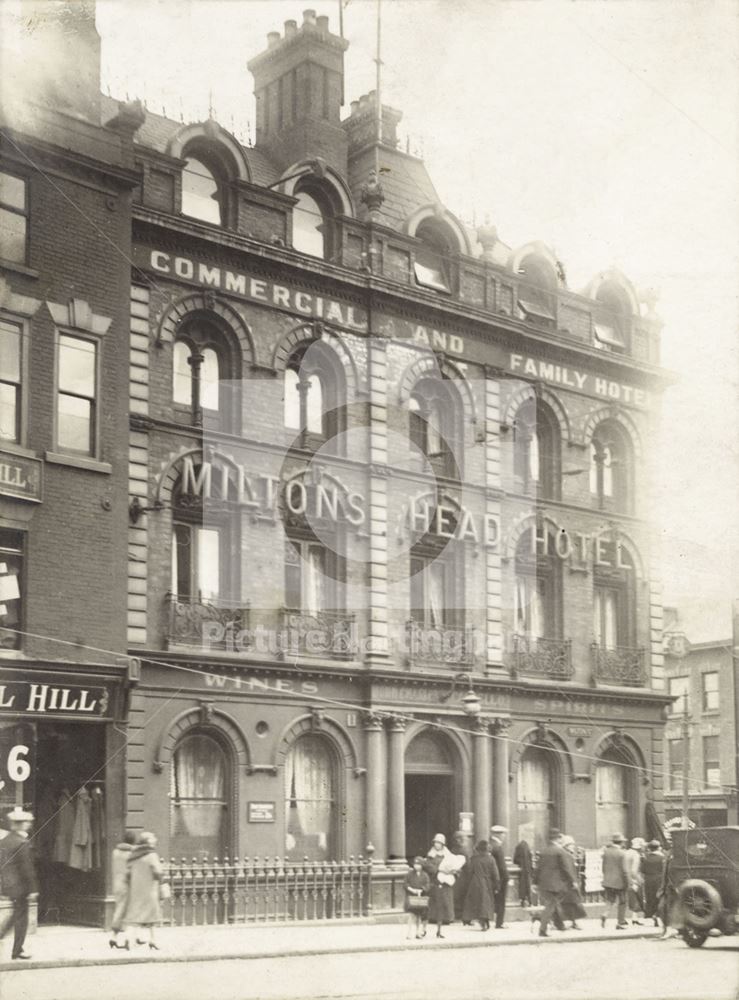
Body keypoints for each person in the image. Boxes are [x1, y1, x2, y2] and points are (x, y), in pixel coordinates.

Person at [0, 808, 38, 960]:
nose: (28, 825)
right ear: (19, 825)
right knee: (21, 918)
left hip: (9, 884)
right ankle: (17, 950)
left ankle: (15, 948)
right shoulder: (21, 843)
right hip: (21, 886)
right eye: (26, 822)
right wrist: (33, 889)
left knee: (16, 914)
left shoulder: (5, 841)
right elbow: (27, 868)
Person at [122, 831, 167, 950]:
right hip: (149, 890)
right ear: (147, 841)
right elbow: (158, 872)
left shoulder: (134, 855)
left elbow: (127, 873)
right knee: (152, 916)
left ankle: (128, 938)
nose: (155, 840)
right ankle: (153, 940)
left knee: (135, 916)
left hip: (136, 890)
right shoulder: (152, 855)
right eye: (153, 838)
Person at [534, 828, 576, 938]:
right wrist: (573, 881)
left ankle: (560, 925)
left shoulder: (544, 850)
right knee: (551, 905)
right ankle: (542, 928)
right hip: (556, 884)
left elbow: (538, 868)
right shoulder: (560, 851)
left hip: (543, 883)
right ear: (557, 839)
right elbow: (566, 868)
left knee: (553, 903)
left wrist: (534, 883)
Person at [424, 834, 463, 939]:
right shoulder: (430, 854)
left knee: (446, 898)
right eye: (436, 842)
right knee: (435, 899)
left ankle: (447, 918)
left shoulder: (448, 854)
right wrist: (438, 870)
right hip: (435, 879)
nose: (437, 845)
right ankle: (434, 917)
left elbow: (456, 866)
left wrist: (454, 871)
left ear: (443, 844)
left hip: (447, 880)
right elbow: (427, 865)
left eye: (439, 843)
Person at [461, 840, 500, 931]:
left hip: (475, 882)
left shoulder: (474, 859)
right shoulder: (491, 859)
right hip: (487, 883)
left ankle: (478, 920)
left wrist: (469, 883)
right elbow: (495, 874)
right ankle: (486, 921)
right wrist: (497, 885)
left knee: (476, 902)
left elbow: (470, 872)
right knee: (486, 902)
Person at [109, 830, 137, 949]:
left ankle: (114, 937)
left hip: (116, 884)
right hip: (128, 885)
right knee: (130, 912)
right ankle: (127, 939)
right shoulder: (132, 854)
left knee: (119, 910)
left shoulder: (115, 852)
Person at [601, 832, 629, 929]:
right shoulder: (622, 853)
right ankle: (620, 922)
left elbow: (603, 867)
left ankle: (605, 914)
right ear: (621, 842)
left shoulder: (606, 852)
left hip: (608, 881)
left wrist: (606, 877)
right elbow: (625, 870)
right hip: (620, 882)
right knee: (622, 902)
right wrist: (627, 882)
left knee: (610, 900)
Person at [558, 836, 586, 930]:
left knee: (571, 903)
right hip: (568, 884)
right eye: (570, 844)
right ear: (566, 845)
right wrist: (574, 882)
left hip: (568, 883)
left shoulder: (568, 855)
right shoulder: (566, 855)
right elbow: (568, 870)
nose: (573, 846)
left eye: (573, 844)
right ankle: (570, 922)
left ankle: (573, 922)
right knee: (571, 903)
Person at [404, 856, 431, 939]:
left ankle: (417, 932)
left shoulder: (425, 875)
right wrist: (411, 889)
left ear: (422, 865)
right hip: (411, 897)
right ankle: (409, 932)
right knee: (411, 915)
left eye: (419, 865)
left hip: (420, 898)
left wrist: (421, 890)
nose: (417, 866)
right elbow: (405, 883)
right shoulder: (409, 874)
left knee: (419, 916)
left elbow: (427, 885)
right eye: (415, 864)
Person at [641, 840, 665, 928]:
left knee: (650, 898)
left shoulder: (645, 858)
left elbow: (642, 870)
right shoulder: (662, 858)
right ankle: (658, 915)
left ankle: (651, 915)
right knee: (659, 898)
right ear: (658, 848)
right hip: (659, 880)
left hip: (648, 880)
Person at [489, 825, 509, 928]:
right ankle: (499, 923)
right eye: (503, 834)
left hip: (490, 878)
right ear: (499, 835)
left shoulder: (490, 845)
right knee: (501, 901)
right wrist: (506, 878)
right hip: (499, 879)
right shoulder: (498, 847)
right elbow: (502, 866)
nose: (504, 836)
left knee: (492, 899)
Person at [625, 837, 645, 925]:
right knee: (636, 897)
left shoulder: (627, 852)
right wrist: (639, 880)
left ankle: (634, 918)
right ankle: (634, 918)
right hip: (633, 879)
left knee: (630, 898)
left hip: (625, 878)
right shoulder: (636, 855)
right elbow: (634, 870)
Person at [512, 838, 534, 907]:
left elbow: (515, 860)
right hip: (528, 870)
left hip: (521, 871)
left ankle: (523, 901)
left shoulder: (518, 847)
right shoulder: (528, 849)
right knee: (528, 886)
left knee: (521, 886)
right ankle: (530, 901)